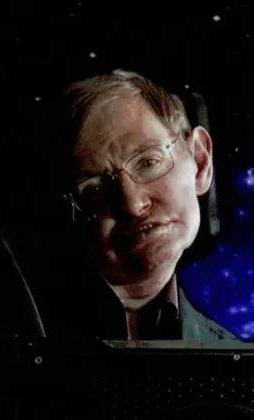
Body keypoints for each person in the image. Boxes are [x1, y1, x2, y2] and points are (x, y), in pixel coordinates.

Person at [26, 69, 237, 341]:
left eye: (148, 162)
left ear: (199, 160)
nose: (133, 205)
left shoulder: (226, 354)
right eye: (95, 187)